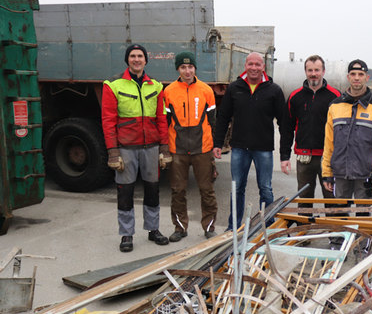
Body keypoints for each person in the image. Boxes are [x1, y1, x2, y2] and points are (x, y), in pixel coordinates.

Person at [102, 43, 170, 252]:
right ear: (127, 60)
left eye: (140, 56)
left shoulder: (156, 86)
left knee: (152, 190)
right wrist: (113, 152)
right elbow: (108, 120)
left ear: (145, 60)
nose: (137, 59)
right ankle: (126, 235)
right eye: (132, 56)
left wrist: (164, 148)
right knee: (125, 191)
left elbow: (161, 118)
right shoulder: (113, 85)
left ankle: (153, 230)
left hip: (151, 147)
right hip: (125, 148)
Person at [213, 52, 286, 230]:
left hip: (263, 149)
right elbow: (223, 117)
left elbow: (284, 122)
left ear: (263, 67)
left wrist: (285, 154)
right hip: (239, 148)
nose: (254, 68)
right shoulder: (234, 88)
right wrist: (217, 143)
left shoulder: (273, 90)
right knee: (237, 189)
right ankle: (233, 227)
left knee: (266, 189)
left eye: (258, 64)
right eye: (250, 64)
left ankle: (268, 227)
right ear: (245, 65)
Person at [163, 51, 218, 242]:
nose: (187, 71)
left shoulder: (206, 90)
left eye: (190, 67)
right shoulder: (169, 91)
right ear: (178, 69)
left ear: (195, 68)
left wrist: (214, 146)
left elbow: (213, 121)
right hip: (177, 149)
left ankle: (210, 227)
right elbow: (165, 122)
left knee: (207, 189)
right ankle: (180, 227)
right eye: (183, 67)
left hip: (202, 148)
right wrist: (164, 149)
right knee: (178, 190)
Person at [280, 55, 341, 213]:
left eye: (317, 70)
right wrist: (284, 156)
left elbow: (343, 130)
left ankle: (333, 234)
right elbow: (287, 128)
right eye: (310, 70)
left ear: (323, 71)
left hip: (328, 158)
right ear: (305, 71)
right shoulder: (295, 97)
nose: (313, 74)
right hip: (304, 158)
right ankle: (304, 234)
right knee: (305, 198)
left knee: (332, 198)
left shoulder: (335, 97)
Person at [322, 59, 372, 201]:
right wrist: (327, 173)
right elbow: (329, 143)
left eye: (361, 74)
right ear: (348, 77)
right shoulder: (335, 106)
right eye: (353, 74)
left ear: (367, 77)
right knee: (341, 217)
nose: (357, 78)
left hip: (366, 176)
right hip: (340, 174)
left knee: (363, 217)